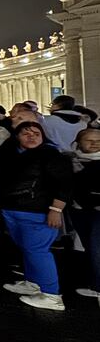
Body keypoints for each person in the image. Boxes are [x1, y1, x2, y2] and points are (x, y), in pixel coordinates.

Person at [0, 121, 73, 311]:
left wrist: (56, 210)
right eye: (25, 133)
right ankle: (34, 283)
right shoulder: (9, 152)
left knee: (37, 250)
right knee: (27, 248)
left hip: (37, 209)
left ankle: (51, 294)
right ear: (17, 136)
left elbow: (63, 185)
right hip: (12, 208)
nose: (31, 137)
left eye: (35, 133)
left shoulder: (50, 155)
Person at [70, 127, 100, 303]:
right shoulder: (70, 160)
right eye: (89, 140)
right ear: (78, 143)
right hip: (80, 209)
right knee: (90, 245)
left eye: (98, 140)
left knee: (97, 248)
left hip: (97, 210)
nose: (94, 143)